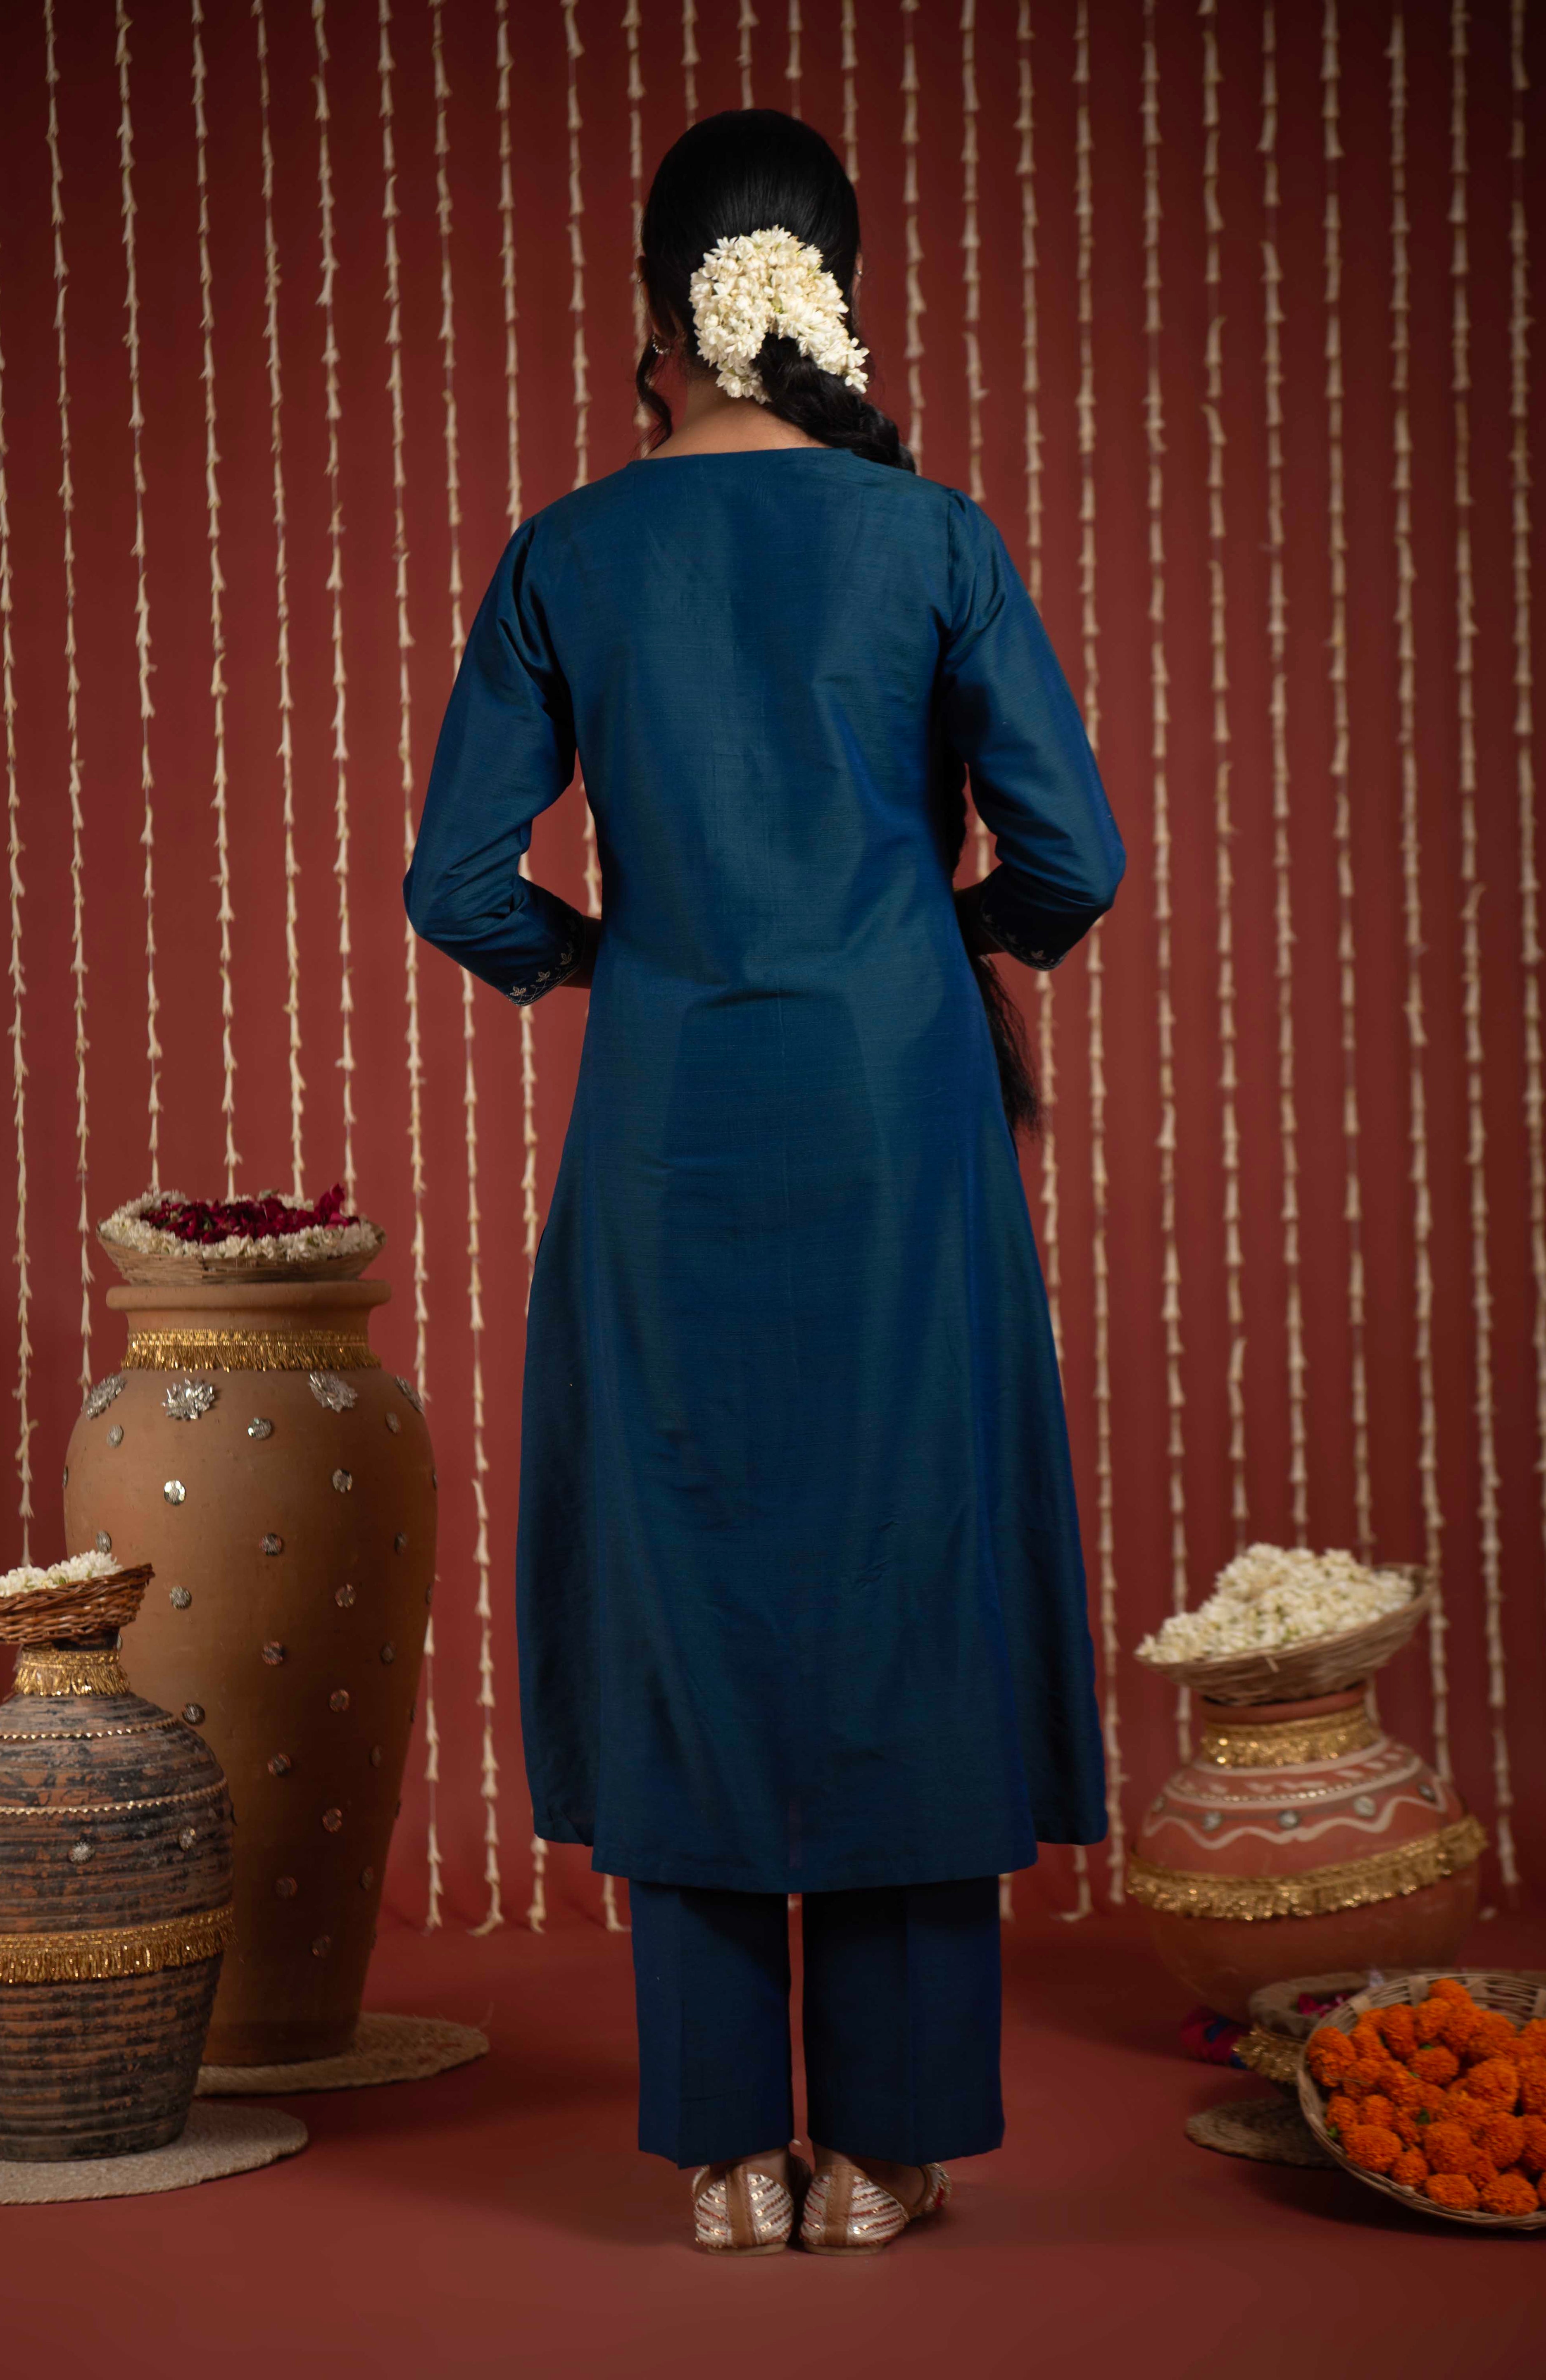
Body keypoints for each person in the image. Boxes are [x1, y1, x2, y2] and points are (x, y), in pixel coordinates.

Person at [406, 110, 1123, 2258]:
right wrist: (946, 943)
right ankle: (887, 2151)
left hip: (669, 1121)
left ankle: (726, 2153)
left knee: (690, 1570)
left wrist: (608, 964)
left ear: (653, 310)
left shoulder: (568, 553)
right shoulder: (931, 540)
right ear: (837, 295)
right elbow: (1073, 855)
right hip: (902, 1121)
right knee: (909, 1560)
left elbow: (457, 885)